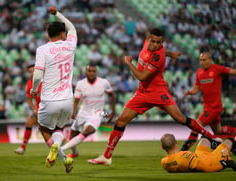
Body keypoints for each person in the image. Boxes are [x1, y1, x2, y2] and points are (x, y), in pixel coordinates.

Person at [88, 28, 221, 165]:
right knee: (120, 121)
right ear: (148, 39)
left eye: (159, 42)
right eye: (153, 41)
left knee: (180, 118)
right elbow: (163, 52)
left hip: (158, 93)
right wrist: (171, 54)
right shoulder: (150, 46)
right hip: (142, 93)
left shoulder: (157, 57)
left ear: (162, 42)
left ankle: (212, 138)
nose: (156, 45)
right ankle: (106, 156)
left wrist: (129, 63)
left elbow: (141, 76)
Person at [31, 6, 77, 173]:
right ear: (63, 34)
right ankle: (64, 158)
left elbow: (37, 75)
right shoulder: (70, 44)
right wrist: (57, 14)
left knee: (44, 129)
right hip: (67, 100)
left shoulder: (42, 49)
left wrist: (34, 89)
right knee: (58, 128)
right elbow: (72, 27)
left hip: (49, 100)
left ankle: (55, 148)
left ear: (47, 35)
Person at [181, 51, 236, 151]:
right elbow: (196, 88)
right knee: (218, 131)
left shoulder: (217, 69)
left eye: (204, 60)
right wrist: (190, 92)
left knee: (196, 126)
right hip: (207, 107)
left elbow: (232, 72)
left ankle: (184, 150)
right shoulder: (199, 72)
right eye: (200, 60)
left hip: (214, 107)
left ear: (210, 60)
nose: (202, 62)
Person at [61, 63, 116, 158]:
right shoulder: (80, 84)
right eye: (89, 71)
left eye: (94, 71)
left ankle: (60, 150)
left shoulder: (104, 82)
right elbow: (76, 100)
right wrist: (74, 111)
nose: (91, 73)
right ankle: (75, 153)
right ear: (85, 72)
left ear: (96, 72)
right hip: (83, 112)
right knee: (72, 136)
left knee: (87, 131)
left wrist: (113, 111)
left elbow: (111, 95)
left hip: (98, 113)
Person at [161, 133, 236, 172]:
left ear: (163, 147)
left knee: (204, 139)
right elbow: (205, 166)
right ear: (176, 142)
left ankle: (216, 144)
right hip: (211, 161)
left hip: (201, 157)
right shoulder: (185, 156)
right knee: (230, 140)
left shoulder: (164, 162)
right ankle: (226, 154)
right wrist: (224, 163)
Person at [14, 64, 42, 155]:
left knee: (48, 129)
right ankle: (22, 147)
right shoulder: (29, 84)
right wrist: (34, 109)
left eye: (33, 71)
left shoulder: (44, 80)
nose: (32, 73)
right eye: (30, 72)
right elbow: (29, 101)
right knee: (29, 123)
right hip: (39, 108)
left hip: (48, 107)